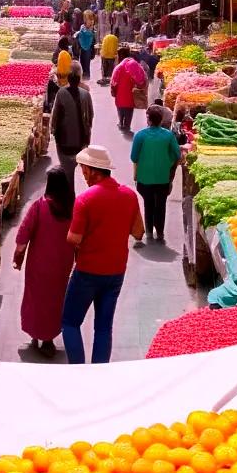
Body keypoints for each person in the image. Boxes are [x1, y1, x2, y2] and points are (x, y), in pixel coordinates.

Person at [62, 145, 145, 364]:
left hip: (87, 271)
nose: (82, 174)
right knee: (103, 327)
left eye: (83, 169)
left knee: (70, 322)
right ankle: (99, 373)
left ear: (92, 170)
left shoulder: (85, 199)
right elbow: (138, 232)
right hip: (116, 271)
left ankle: (78, 371)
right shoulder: (129, 195)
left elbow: (73, 239)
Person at [13, 168, 77, 358]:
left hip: (39, 263)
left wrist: (18, 254)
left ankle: (36, 334)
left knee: (36, 298)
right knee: (55, 300)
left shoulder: (40, 206)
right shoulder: (72, 208)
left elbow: (24, 233)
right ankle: (48, 339)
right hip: (62, 264)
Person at [131, 105, 181, 241]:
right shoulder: (168, 135)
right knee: (161, 205)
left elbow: (134, 157)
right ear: (161, 120)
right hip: (163, 178)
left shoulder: (140, 135)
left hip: (144, 178)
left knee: (148, 204)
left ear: (148, 120)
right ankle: (160, 232)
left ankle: (148, 231)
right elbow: (177, 154)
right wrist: (168, 161)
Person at [51, 69, 94, 191]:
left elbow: (55, 114)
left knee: (67, 173)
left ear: (68, 80)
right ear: (79, 80)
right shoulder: (85, 94)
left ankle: (70, 196)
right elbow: (90, 115)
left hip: (64, 139)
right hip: (81, 140)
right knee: (83, 169)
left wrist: (53, 130)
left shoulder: (61, 93)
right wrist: (87, 131)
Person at [110, 46, 148, 133]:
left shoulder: (118, 67)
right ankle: (126, 128)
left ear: (121, 56)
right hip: (130, 99)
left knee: (121, 115)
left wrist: (113, 92)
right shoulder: (134, 65)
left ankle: (121, 124)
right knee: (128, 120)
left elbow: (113, 83)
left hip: (119, 98)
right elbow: (141, 80)